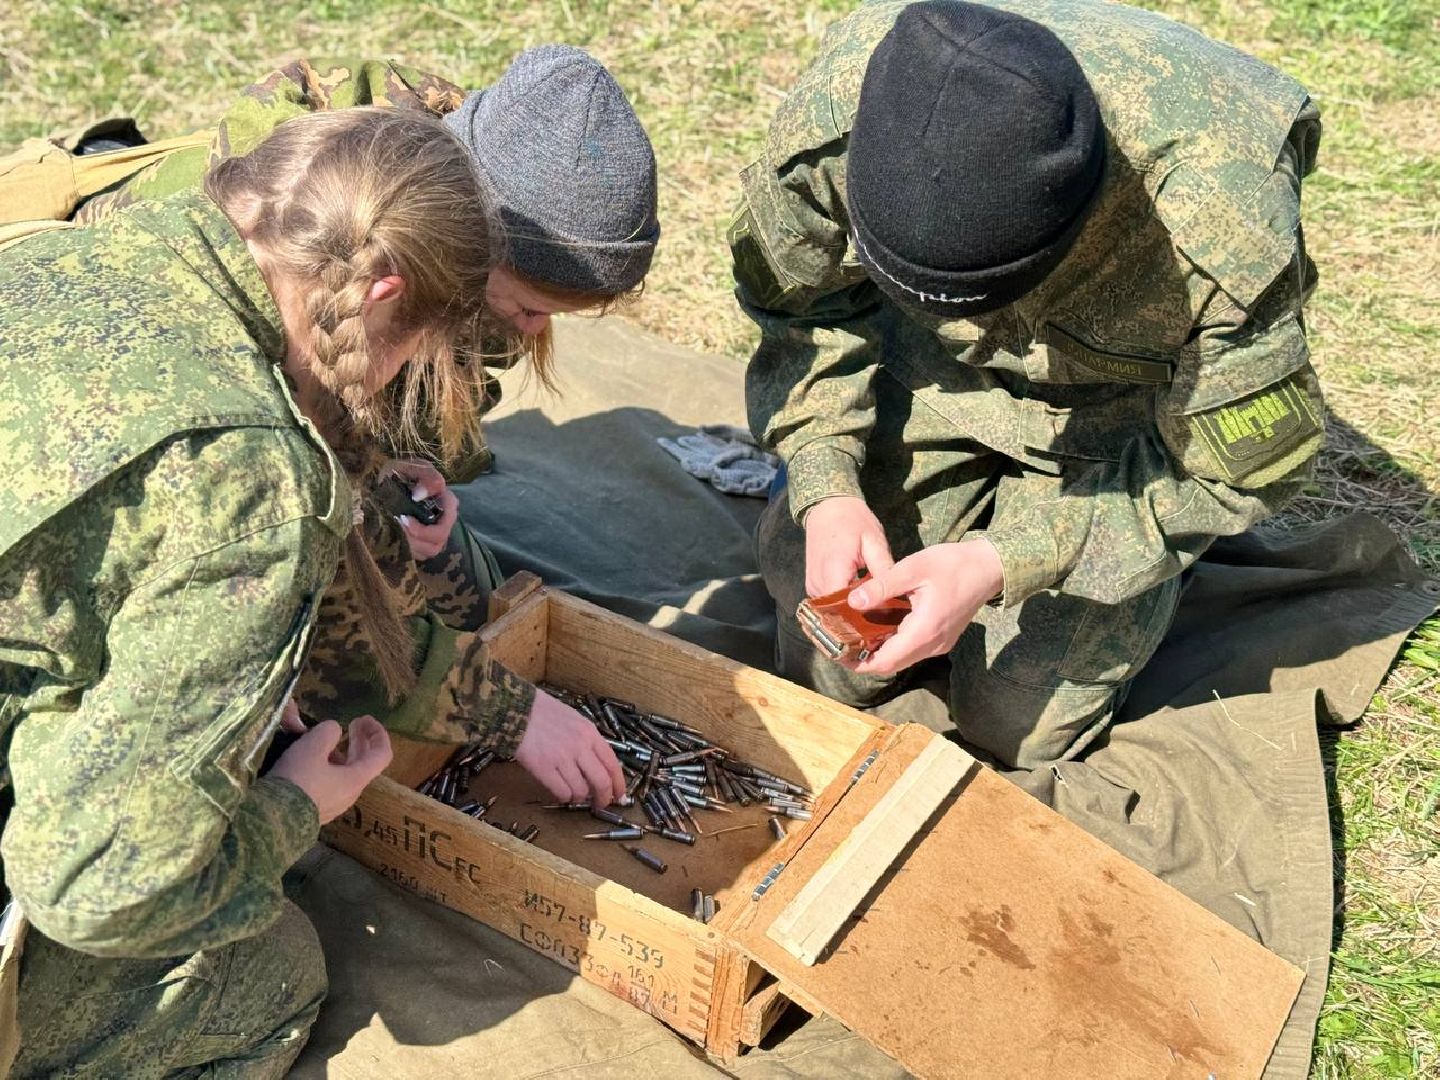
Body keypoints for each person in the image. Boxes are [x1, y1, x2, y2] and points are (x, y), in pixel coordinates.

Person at [0, 106, 622, 1076]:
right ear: (384, 295)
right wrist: (293, 808)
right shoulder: (251, 490)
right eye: (420, 346)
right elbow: (91, 883)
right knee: (269, 976)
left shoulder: (92, 250)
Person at [733, 0, 1325, 769]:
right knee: (831, 651)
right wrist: (826, 478)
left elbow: (1232, 469)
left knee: (1018, 723)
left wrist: (1005, 560)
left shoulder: (1219, 216)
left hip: (1123, 422)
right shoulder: (829, 132)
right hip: (925, 370)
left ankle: (1148, 579)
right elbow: (799, 309)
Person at [11, 46, 662, 634]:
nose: (533, 331)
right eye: (526, 307)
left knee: (464, 607)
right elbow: (242, 494)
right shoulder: (278, 239)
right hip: (103, 402)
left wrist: (389, 475)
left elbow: (389, 416)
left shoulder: (476, 231)